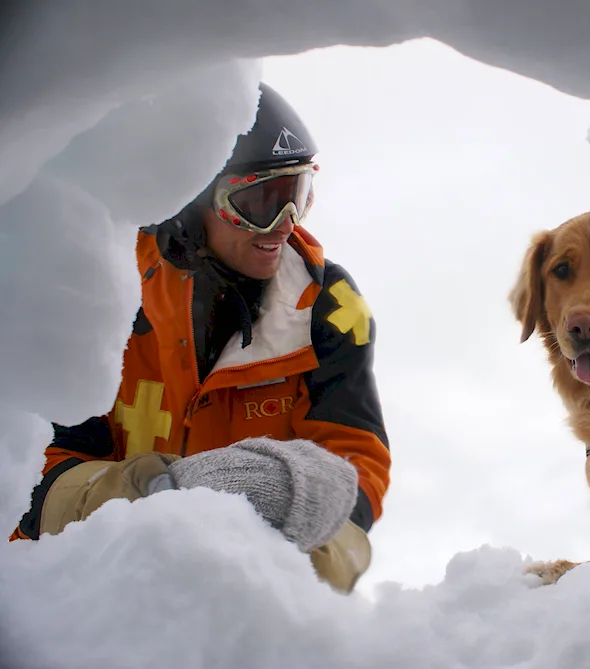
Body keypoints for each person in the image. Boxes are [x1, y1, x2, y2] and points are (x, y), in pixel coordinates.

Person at [9, 82, 391, 594]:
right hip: (88, 586)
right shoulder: (99, 291)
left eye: (297, 195)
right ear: (187, 204)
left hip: (250, 586)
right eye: (258, 201)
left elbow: (357, 455)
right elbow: (27, 479)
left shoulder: (326, 305)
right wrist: (153, 492)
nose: (284, 225)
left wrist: (313, 506)